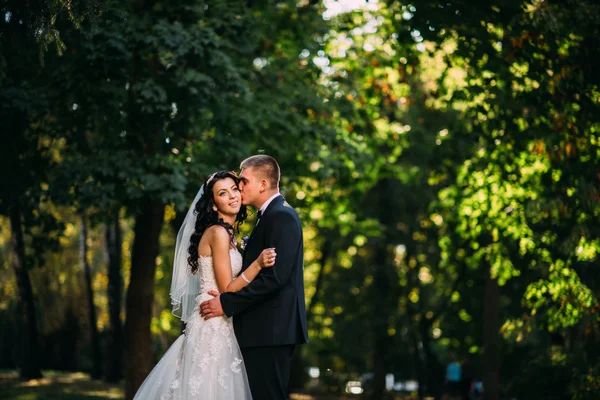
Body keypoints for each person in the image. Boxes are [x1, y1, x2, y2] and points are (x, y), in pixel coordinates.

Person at [133, 170, 277, 400]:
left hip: (220, 319)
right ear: (213, 205)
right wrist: (258, 264)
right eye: (223, 193)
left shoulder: (228, 235)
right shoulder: (218, 233)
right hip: (212, 322)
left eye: (234, 189)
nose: (232, 196)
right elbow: (227, 288)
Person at [200, 155, 309, 400]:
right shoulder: (267, 217)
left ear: (262, 184)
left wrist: (227, 303)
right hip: (263, 331)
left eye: (244, 181)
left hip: (271, 332)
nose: (239, 187)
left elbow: (274, 279)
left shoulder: (281, 216)